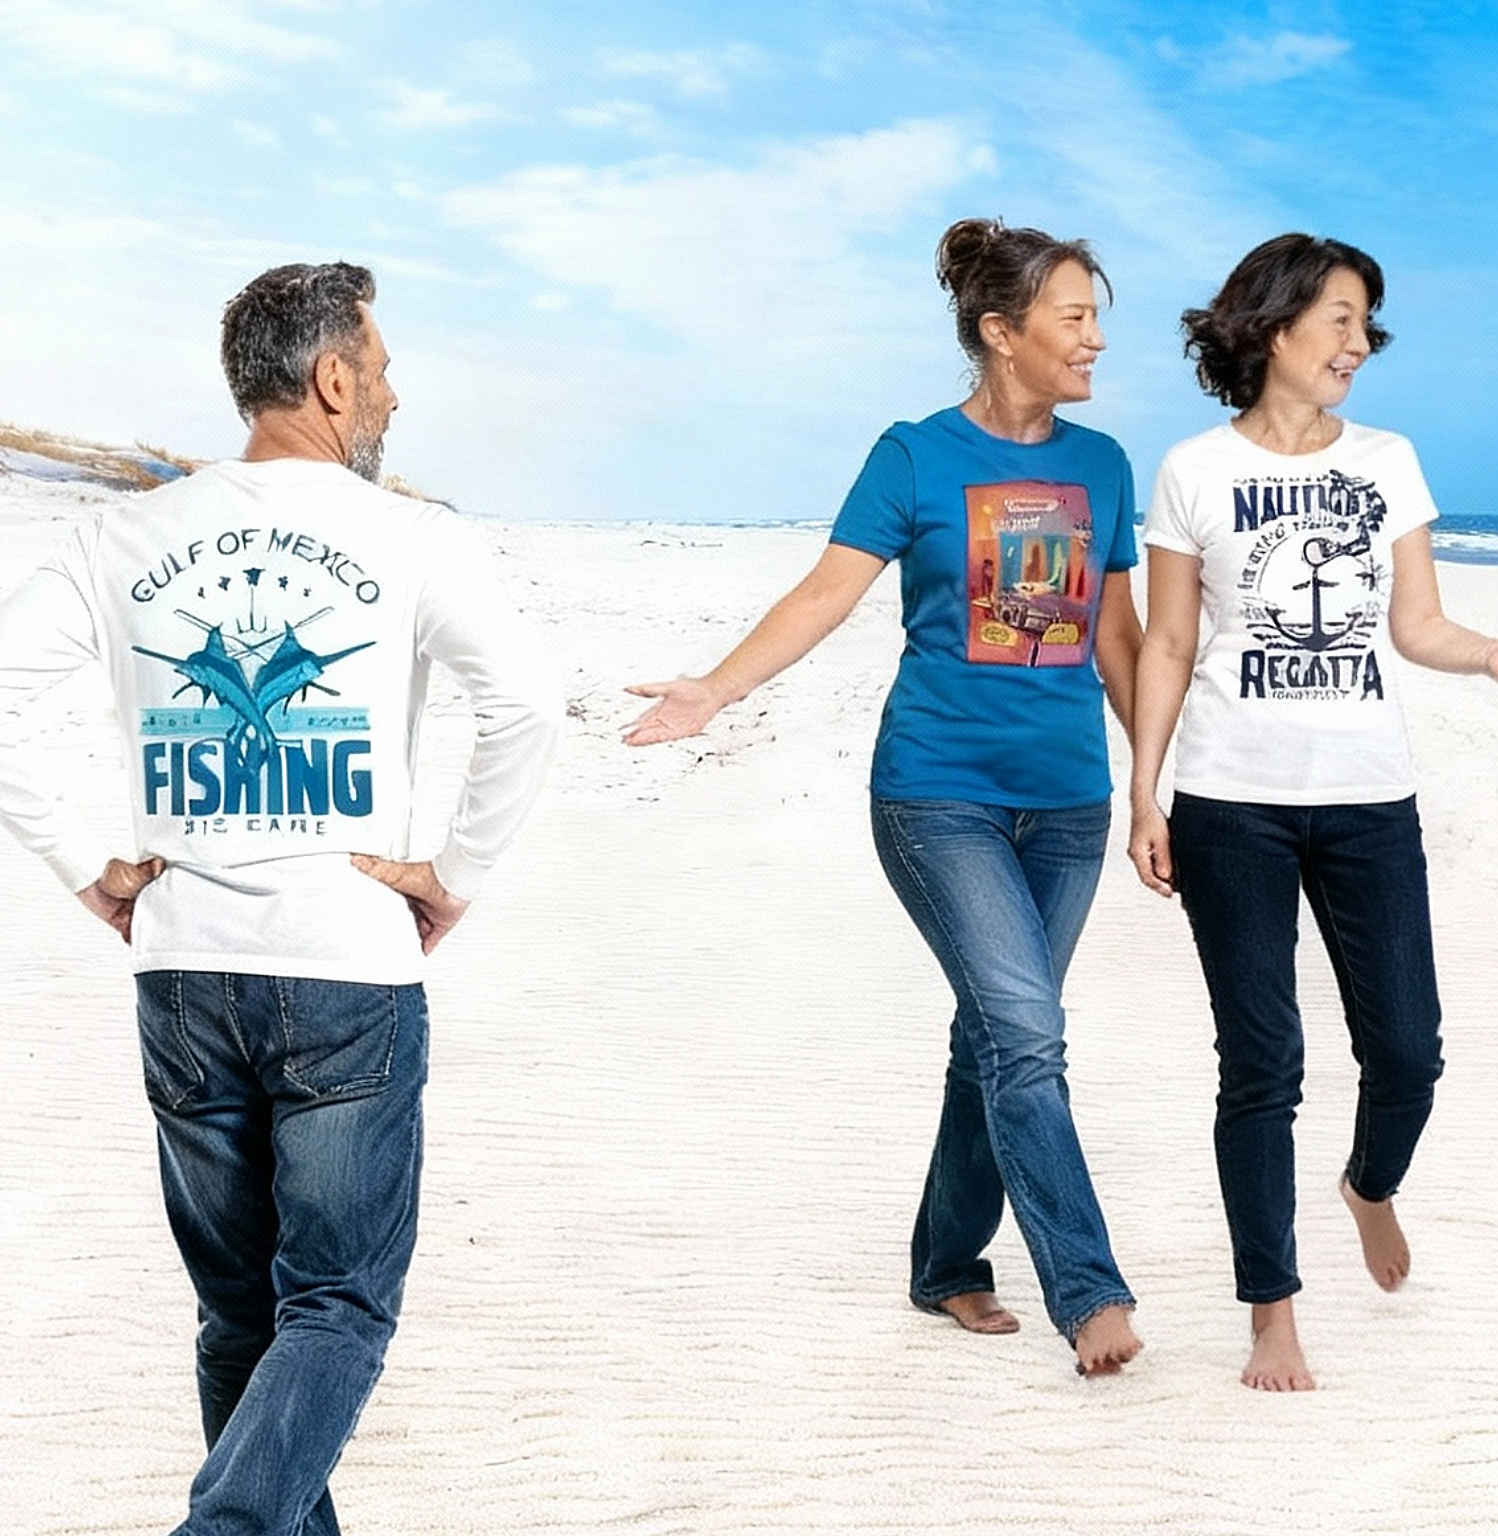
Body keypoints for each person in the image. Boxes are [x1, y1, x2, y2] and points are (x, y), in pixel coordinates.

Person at [0, 263, 560, 1532]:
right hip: (345, 968)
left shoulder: (124, 534)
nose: (394, 395)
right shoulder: (412, 536)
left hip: (183, 968)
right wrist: (451, 877)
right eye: (382, 367)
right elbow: (525, 706)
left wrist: (87, 869)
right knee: (338, 1307)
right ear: (330, 378)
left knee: (240, 1317)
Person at [623, 218, 1145, 1376]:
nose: (1095, 337)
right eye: (1073, 316)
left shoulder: (1103, 466)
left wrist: (1160, 778)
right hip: (938, 796)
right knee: (1026, 1032)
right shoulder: (914, 456)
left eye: (1096, 315)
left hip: (1070, 807)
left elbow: (1118, 636)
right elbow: (822, 594)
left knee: (996, 1040)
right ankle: (1090, 1290)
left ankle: (946, 1264)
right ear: (1002, 332)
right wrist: (715, 688)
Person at [1127, 233, 1498, 1391]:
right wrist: (1146, 788)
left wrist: (1492, 655)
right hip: (1230, 798)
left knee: (1409, 1053)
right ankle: (1272, 1309)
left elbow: (1417, 626)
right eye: (1339, 318)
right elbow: (1171, 639)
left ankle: (1368, 1184)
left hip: (1369, 798)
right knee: (1261, 1063)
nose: (1358, 343)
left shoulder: (1388, 461)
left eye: (1366, 322)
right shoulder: (1192, 470)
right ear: (1273, 327)